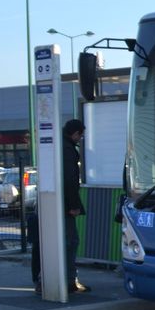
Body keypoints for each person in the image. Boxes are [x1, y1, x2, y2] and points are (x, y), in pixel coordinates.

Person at [62, 118, 89, 293]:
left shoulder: (59, 145)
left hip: (57, 203)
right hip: (65, 205)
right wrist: (74, 205)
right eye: (81, 135)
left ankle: (53, 278)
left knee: (66, 242)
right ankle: (70, 280)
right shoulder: (68, 150)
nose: (81, 138)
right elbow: (70, 180)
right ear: (75, 133)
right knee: (71, 241)